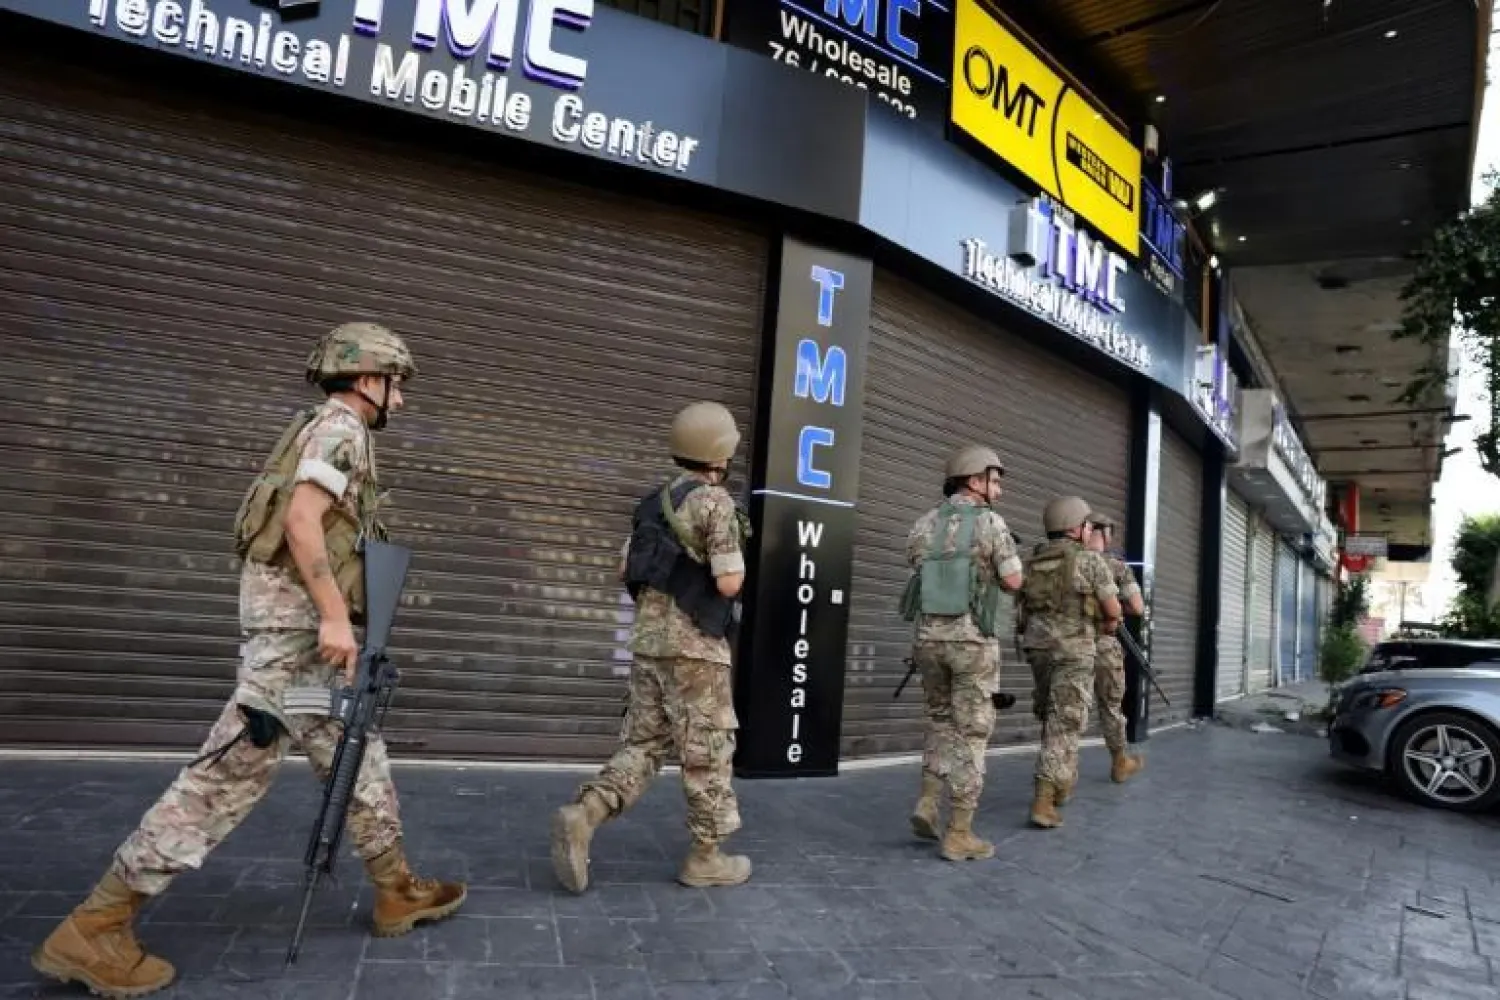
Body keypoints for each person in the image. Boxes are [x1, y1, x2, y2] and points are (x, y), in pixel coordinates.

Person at [31, 323, 466, 998]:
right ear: (366, 379)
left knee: (356, 751)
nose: (401, 401)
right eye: (397, 385)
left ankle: (394, 889)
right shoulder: (341, 430)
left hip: (306, 642)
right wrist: (329, 613)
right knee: (227, 775)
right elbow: (301, 520)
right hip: (297, 640)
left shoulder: (321, 429)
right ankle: (99, 924)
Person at [551, 401, 752, 893]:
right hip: (696, 651)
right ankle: (706, 857)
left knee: (643, 744)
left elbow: (626, 570)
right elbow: (728, 583)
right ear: (719, 452)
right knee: (707, 752)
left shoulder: (651, 503)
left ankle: (587, 812)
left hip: (648, 645)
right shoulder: (714, 502)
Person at [901, 445, 1024, 861]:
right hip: (972, 643)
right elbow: (1013, 580)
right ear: (974, 480)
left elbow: (916, 562)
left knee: (938, 720)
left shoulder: (924, 523)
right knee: (971, 733)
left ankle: (928, 803)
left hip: (929, 641)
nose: (999, 490)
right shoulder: (991, 523)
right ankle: (959, 833)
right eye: (994, 480)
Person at [1018, 496, 1121, 830]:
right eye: (1087, 524)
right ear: (1078, 528)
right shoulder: (1089, 561)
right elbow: (1115, 610)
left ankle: (1062, 783)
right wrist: (1106, 624)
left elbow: (1019, 610)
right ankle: (1044, 799)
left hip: (1038, 651)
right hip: (1075, 651)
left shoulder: (1031, 562)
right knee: (1065, 720)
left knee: (1051, 715)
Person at [1085, 513, 1147, 784]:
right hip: (1103, 645)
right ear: (1106, 534)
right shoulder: (1117, 567)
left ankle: (1057, 777)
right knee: (1110, 707)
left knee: (1064, 710)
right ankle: (1120, 762)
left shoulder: (1070, 561)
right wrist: (1109, 608)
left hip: (1067, 645)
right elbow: (1138, 607)